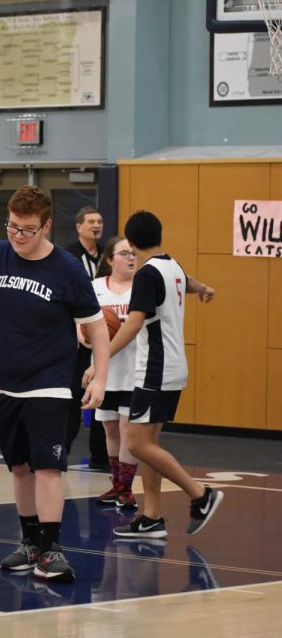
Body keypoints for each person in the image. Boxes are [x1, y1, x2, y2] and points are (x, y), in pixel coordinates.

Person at [0, 184, 109, 584]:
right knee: (20, 468)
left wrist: (100, 375)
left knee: (48, 468)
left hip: (48, 385)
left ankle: (52, 550)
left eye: (27, 229)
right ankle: (29, 543)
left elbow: (96, 327)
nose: (17, 235)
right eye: (13, 226)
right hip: (0, 383)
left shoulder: (66, 269)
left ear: (46, 225)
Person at [108, 210, 221, 540]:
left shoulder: (145, 274)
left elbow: (132, 324)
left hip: (154, 372)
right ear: (159, 236)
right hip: (173, 368)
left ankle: (200, 494)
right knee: (149, 442)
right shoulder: (172, 266)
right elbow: (188, 282)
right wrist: (205, 287)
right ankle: (152, 516)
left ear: (130, 242)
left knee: (136, 443)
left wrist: (101, 358)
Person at [82, 236, 139, 510]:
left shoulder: (142, 288)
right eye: (125, 253)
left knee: (129, 430)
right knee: (110, 428)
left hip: (136, 370)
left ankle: (126, 489)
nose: (131, 258)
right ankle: (117, 484)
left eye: (134, 253)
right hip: (107, 371)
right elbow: (82, 325)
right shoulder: (94, 288)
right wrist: (85, 340)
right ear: (109, 259)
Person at [66, 206, 109, 467]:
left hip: (101, 334)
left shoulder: (107, 256)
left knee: (103, 398)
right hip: (76, 338)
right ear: (79, 227)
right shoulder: (68, 256)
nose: (96, 225)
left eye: (100, 221)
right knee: (72, 398)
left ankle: (101, 457)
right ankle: (60, 452)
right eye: (91, 221)